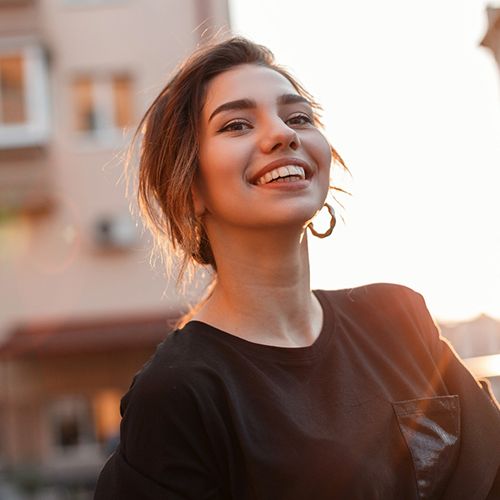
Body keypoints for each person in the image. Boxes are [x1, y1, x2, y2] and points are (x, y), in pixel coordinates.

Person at [94, 36, 500, 500]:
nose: (283, 134)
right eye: (237, 125)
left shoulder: (398, 315)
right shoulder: (178, 393)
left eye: (298, 118)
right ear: (190, 189)